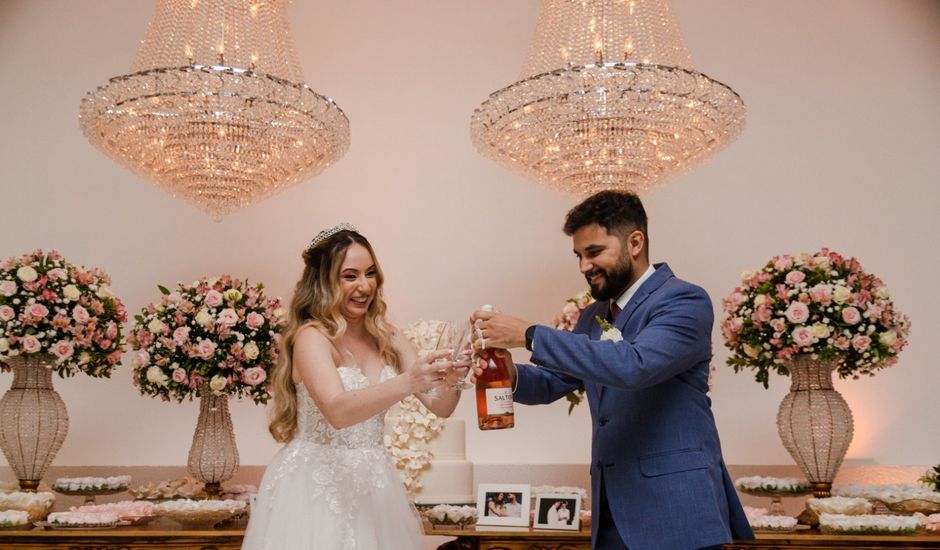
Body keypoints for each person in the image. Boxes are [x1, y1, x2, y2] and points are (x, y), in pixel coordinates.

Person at [471, 191, 753, 550]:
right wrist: (509, 373)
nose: (583, 266)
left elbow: (636, 366)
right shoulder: (593, 315)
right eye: (578, 255)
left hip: (676, 511)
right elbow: (554, 382)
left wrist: (528, 334)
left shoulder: (684, 300)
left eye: (594, 252)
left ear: (635, 242)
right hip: (612, 512)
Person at [242, 223, 465, 550]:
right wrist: (408, 381)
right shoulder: (312, 337)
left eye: (370, 273)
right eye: (350, 276)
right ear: (324, 281)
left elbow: (440, 406)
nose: (365, 286)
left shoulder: (386, 334)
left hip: (374, 486)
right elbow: (337, 411)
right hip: (315, 490)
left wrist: (455, 375)